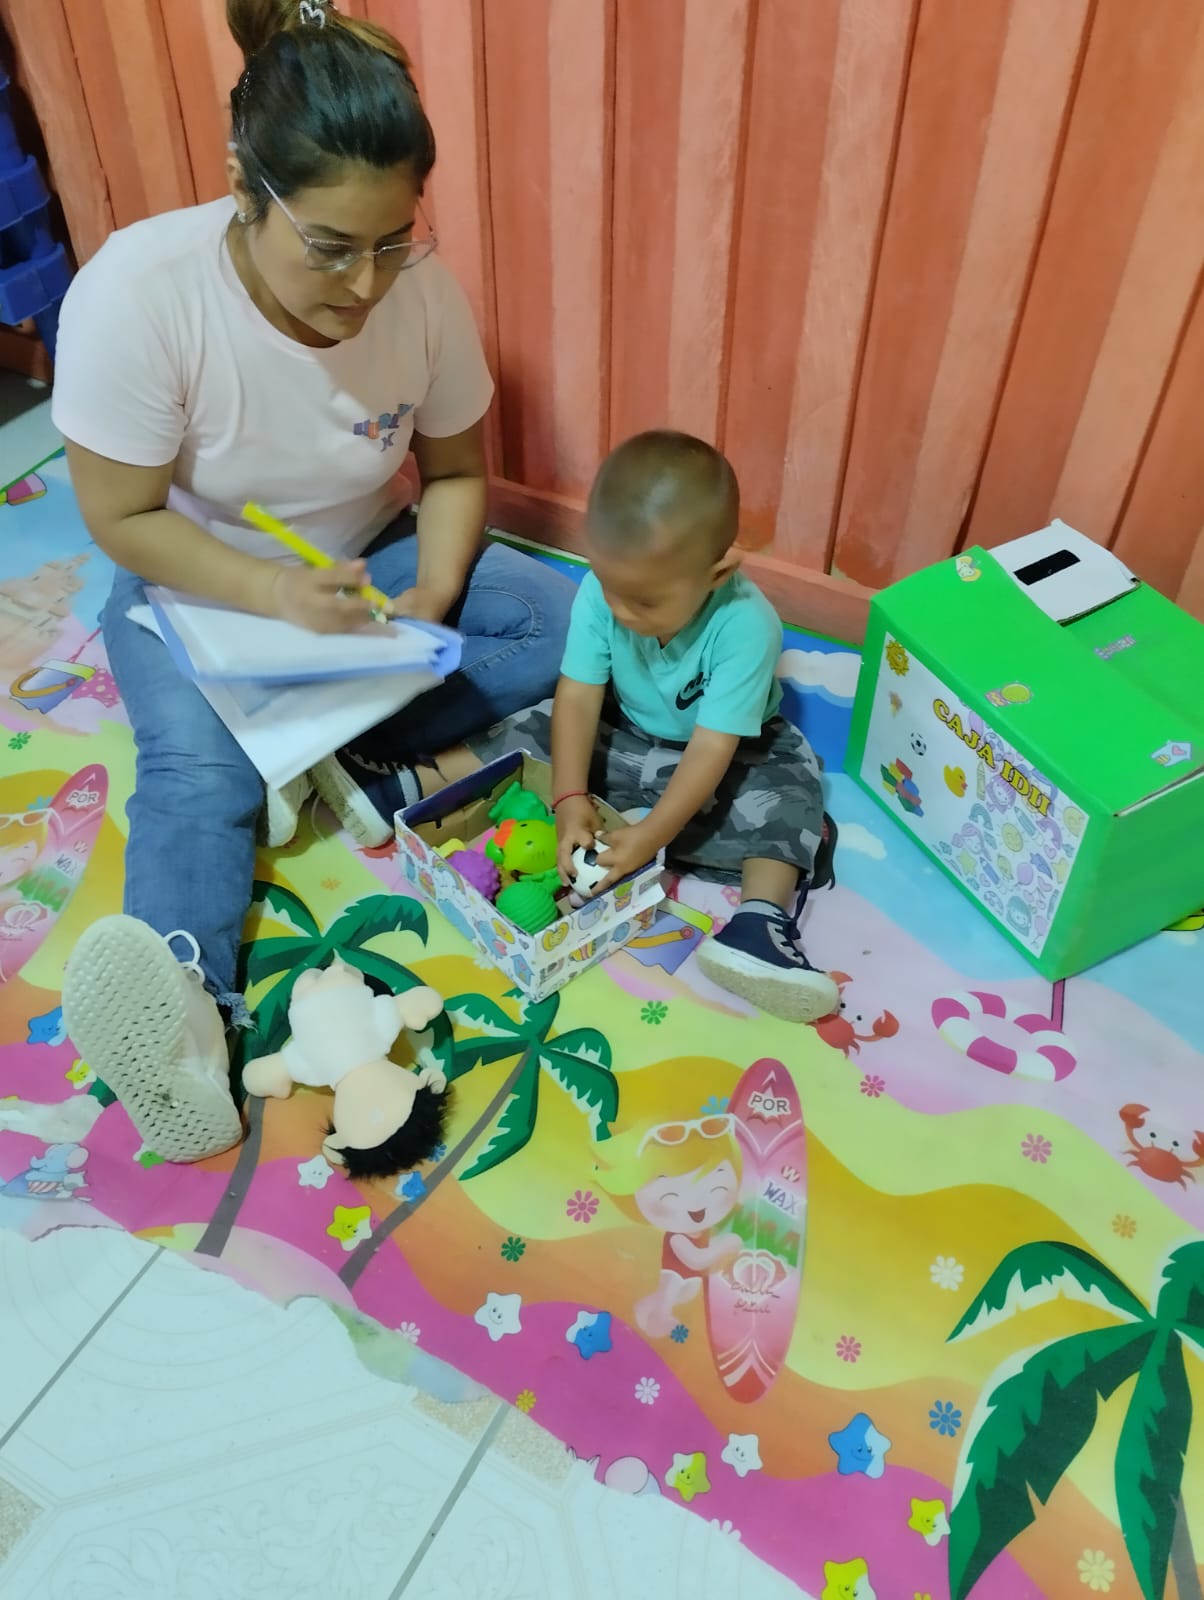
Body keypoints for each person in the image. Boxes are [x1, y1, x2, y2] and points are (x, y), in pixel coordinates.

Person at [54, 0, 574, 1164]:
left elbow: (454, 473)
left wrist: (431, 596)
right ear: (246, 188)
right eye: (331, 247)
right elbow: (122, 518)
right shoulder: (140, 294)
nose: (365, 284)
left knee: (561, 620)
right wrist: (275, 595)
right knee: (198, 776)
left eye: (394, 241)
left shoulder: (419, 295)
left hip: (369, 567)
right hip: (194, 592)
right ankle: (188, 1018)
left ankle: (312, 745)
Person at [444, 431, 838, 1023]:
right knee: (534, 723)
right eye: (610, 588)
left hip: (725, 754)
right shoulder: (602, 593)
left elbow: (712, 748)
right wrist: (569, 797)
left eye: (646, 602)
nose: (622, 612)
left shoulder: (746, 625)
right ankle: (414, 786)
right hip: (625, 734)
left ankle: (758, 924)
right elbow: (579, 695)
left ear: (717, 572)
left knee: (795, 791)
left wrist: (652, 833)